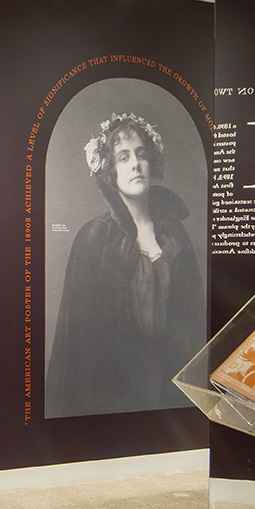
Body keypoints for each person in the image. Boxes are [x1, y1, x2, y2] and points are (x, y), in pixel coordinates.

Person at [46, 113, 201, 417]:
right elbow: (75, 339)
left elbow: (192, 325)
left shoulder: (175, 234)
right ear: (111, 170)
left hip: (167, 395)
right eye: (124, 157)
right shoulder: (94, 238)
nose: (135, 164)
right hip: (111, 396)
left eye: (141, 155)